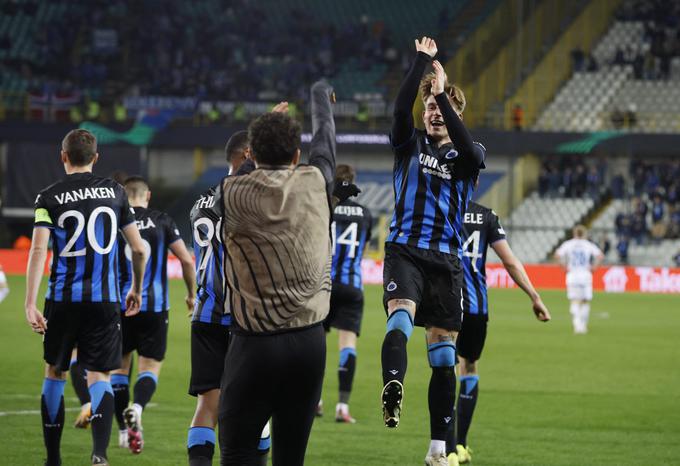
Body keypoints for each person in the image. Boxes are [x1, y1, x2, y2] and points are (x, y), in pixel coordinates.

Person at [217, 80, 337, 466]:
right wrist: (319, 94)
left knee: (237, 451)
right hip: (309, 343)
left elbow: (245, 170)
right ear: (296, 154)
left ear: (251, 153)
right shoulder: (316, 182)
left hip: (255, 344)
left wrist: (265, 131)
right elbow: (326, 143)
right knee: (290, 458)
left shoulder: (231, 192)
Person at [380, 37, 485, 466]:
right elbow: (398, 108)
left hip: (446, 260)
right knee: (400, 316)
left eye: (441, 108)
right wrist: (422, 63)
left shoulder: (470, 154)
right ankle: (392, 386)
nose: (433, 113)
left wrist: (441, 91)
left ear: (457, 115)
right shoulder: (409, 145)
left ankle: (438, 450)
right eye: (429, 109)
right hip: (405, 250)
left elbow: (469, 158)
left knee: (444, 358)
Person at [24, 129, 147, 466]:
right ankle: (100, 454)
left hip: (63, 298)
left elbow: (38, 249)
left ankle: (53, 459)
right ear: (96, 158)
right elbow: (138, 248)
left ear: (63, 156)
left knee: (54, 372)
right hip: (105, 300)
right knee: (100, 377)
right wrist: (135, 288)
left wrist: (30, 302)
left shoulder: (47, 197)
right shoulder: (116, 192)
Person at [187, 130, 271, 466]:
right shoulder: (244, 196)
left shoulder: (199, 203)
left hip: (206, 313)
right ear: (249, 153)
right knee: (258, 408)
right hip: (243, 319)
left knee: (206, 408)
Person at [447, 200, 551, 464]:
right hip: (476, 308)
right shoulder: (486, 216)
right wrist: (534, 296)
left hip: (445, 303)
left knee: (444, 369)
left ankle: (445, 449)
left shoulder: (439, 206)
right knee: (469, 368)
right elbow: (510, 262)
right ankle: (460, 446)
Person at [110, 176, 196, 454]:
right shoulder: (162, 220)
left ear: (124, 195)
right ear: (147, 196)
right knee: (150, 367)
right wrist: (191, 294)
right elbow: (185, 259)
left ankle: (124, 433)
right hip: (155, 308)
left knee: (119, 370)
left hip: (121, 305)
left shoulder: (114, 220)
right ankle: (137, 408)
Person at [320, 164, 372, 423]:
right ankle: (342, 406)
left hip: (323, 284)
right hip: (353, 285)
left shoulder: (326, 208)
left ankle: (315, 401)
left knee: (316, 341)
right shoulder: (365, 214)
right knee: (347, 344)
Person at [554, 225, 604, 334]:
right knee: (585, 301)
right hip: (585, 275)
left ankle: (577, 324)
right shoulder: (588, 245)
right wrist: (594, 267)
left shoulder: (569, 244)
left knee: (574, 300)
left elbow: (557, 255)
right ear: (584, 234)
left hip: (572, 275)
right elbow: (600, 256)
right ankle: (583, 326)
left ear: (574, 233)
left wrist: (563, 267)